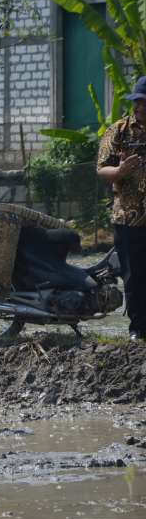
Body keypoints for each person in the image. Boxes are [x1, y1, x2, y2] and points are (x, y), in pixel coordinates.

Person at [97, 75, 146, 342]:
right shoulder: (119, 130)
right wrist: (120, 170)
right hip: (129, 216)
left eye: (144, 103)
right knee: (134, 274)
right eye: (138, 102)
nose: (140, 107)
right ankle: (138, 329)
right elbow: (101, 168)